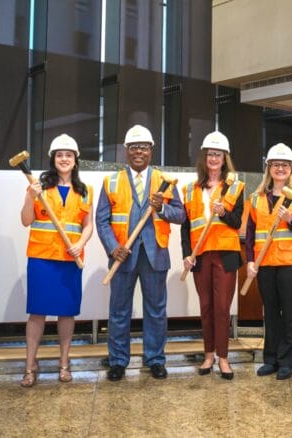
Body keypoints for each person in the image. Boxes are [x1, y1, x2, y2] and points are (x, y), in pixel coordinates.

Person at [96, 124, 186, 381]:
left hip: (154, 255)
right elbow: (102, 220)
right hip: (122, 255)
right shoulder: (111, 181)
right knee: (119, 311)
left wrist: (162, 209)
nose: (139, 152)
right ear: (126, 150)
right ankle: (118, 361)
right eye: (134, 147)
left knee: (156, 310)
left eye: (143, 147)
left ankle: (155, 359)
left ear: (151, 151)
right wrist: (113, 248)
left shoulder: (164, 181)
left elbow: (180, 215)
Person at [19, 134, 93, 387]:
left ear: (75, 160)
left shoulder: (85, 191)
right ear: (53, 159)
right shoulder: (38, 186)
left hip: (70, 259)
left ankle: (64, 362)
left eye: (68, 155)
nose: (64, 159)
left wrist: (81, 244)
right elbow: (26, 221)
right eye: (59, 155)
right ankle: (30, 366)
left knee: (67, 313)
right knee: (37, 312)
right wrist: (30, 197)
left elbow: (88, 225)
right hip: (42, 259)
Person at [245, 143, 292, 380]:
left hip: (291, 262)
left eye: (284, 165)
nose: (280, 168)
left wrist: (291, 219)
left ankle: (287, 361)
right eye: (275, 164)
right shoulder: (256, 198)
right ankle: (271, 359)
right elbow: (250, 234)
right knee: (271, 312)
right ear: (269, 168)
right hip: (264, 263)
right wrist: (250, 261)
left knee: (290, 312)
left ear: (291, 168)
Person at [180, 131, 245, 380]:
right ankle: (208, 355)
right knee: (206, 307)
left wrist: (224, 213)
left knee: (222, 308)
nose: (214, 158)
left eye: (218, 154)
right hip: (200, 256)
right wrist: (187, 254)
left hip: (225, 255)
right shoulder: (190, 189)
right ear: (204, 157)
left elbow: (237, 221)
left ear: (225, 157)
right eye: (210, 154)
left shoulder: (235, 187)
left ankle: (224, 358)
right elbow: (186, 226)